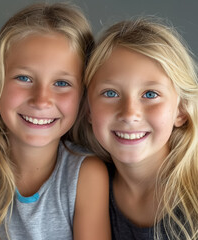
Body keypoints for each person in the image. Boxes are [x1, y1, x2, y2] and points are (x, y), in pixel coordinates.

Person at [0, 3, 110, 240]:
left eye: (62, 83)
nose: (41, 100)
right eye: (24, 78)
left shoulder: (87, 175)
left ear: (83, 95)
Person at [73, 18, 198, 239]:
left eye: (150, 94)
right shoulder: (84, 188)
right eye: (111, 93)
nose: (130, 114)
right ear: (89, 110)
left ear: (181, 111)